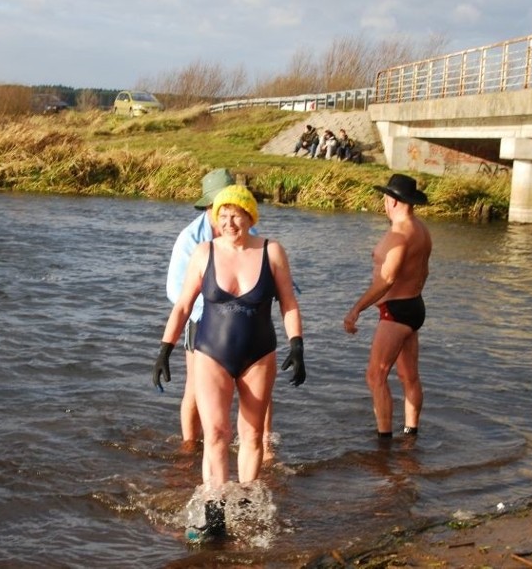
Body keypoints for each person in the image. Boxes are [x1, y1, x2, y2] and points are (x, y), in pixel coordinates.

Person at [153, 185, 306, 542]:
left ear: (251, 216)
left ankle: (249, 506)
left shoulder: (272, 251)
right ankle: (215, 515)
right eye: (222, 215)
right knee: (217, 434)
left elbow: (289, 304)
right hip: (210, 354)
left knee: (252, 435)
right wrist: (165, 349)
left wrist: (296, 345)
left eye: (236, 214)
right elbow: (182, 306)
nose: (228, 221)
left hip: (259, 354)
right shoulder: (204, 252)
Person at [165, 168, 271, 450]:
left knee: (260, 391)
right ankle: (190, 448)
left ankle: (263, 446)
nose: (225, 215)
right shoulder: (190, 239)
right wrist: (219, 307)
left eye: (231, 207)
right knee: (195, 390)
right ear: (210, 206)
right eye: (219, 207)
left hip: (247, 322)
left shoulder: (247, 229)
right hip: (202, 321)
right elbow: (177, 292)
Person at [343, 174, 431, 439]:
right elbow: (423, 272)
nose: (384, 202)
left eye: (385, 198)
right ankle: (411, 433)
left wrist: (356, 309)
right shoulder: (421, 229)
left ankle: (384, 442)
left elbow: (387, 279)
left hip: (396, 310)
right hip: (414, 306)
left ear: (392, 200)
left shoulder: (399, 234)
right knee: (408, 376)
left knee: (376, 376)